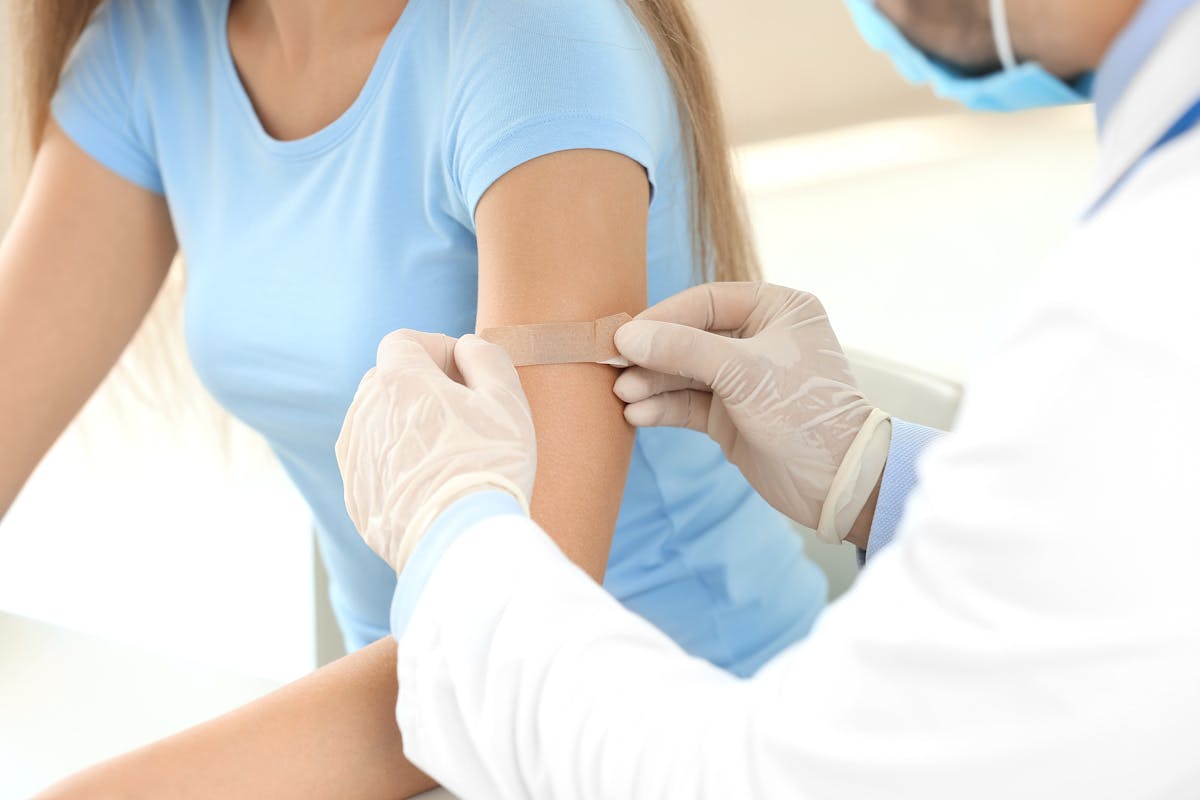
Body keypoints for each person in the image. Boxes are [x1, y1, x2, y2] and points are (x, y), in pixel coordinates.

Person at [334, 0, 1200, 796]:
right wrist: (876, 476)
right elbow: (1141, 543)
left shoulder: (1142, 306)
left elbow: (759, 780)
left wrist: (457, 541)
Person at [7, 1, 831, 798]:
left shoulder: (536, 37)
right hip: (416, 738)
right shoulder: (150, 38)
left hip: (662, 731)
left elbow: (509, 657)